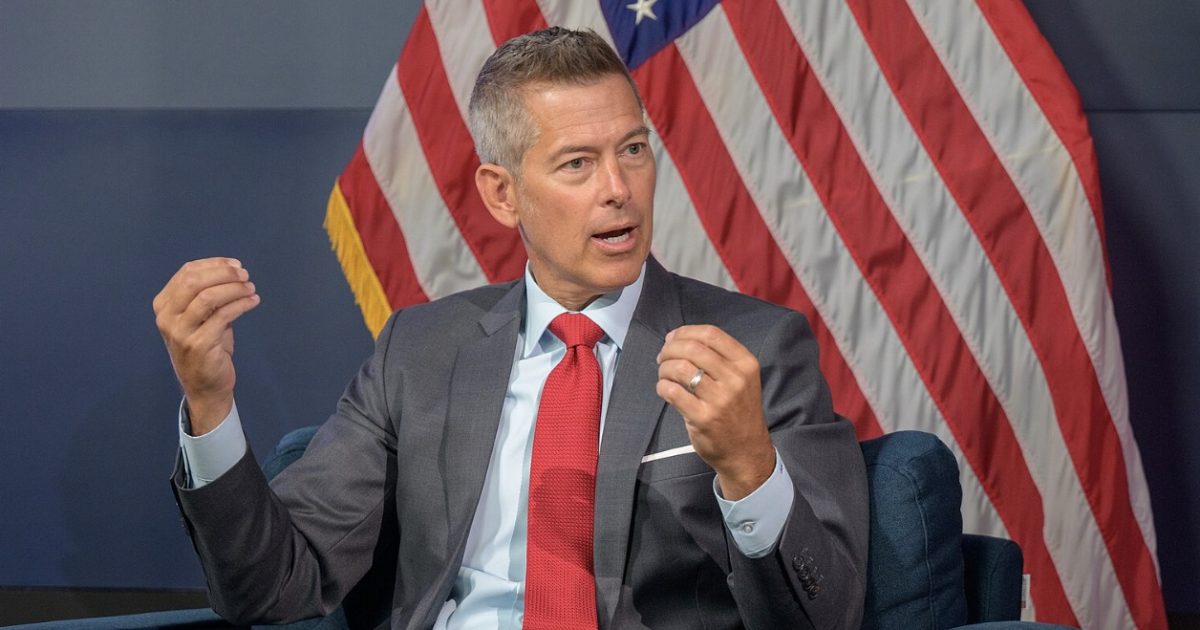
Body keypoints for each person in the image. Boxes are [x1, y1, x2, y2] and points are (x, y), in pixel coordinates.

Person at [154, 27, 867, 630]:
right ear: (502, 194)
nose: (618, 188)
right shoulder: (421, 352)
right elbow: (273, 585)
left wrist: (750, 470)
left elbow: (828, 612)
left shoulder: (757, 345)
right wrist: (211, 406)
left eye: (632, 149)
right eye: (578, 164)